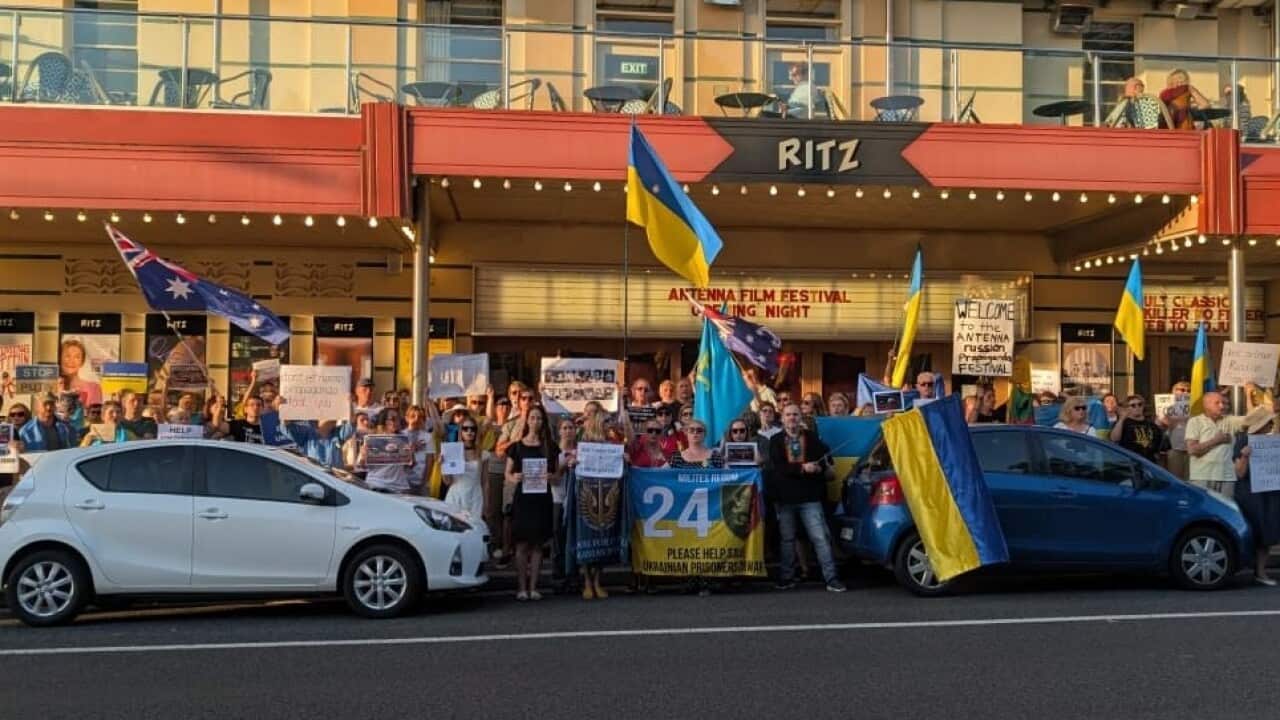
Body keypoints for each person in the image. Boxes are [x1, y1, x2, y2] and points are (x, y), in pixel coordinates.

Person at [768, 403, 846, 593]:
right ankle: (787, 577)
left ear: (800, 417)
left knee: (820, 538)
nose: (792, 418)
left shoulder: (812, 439)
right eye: (788, 415)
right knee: (787, 540)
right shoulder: (776, 440)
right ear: (782, 418)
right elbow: (778, 468)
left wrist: (818, 469)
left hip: (810, 498)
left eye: (795, 414)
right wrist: (802, 468)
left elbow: (824, 469)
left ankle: (831, 578)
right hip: (786, 499)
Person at [505, 405, 561, 601]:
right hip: (523, 499)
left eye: (539, 418)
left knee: (537, 545)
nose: (535, 421)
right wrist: (516, 477)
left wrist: (550, 476)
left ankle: (534, 587)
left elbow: (557, 477)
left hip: (542, 498)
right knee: (521, 545)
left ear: (543, 422)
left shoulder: (551, 447)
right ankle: (521, 587)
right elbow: (508, 474)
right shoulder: (517, 446)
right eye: (532, 418)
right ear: (526, 420)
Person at [1232, 407, 1280, 586]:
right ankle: (1255, 570)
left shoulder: (1273, 441)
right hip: (1250, 494)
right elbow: (1240, 473)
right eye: (1268, 422)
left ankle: (1260, 572)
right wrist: (1244, 456)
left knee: (1268, 531)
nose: (1272, 425)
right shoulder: (1243, 441)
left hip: (1270, 492)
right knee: (1254, 530)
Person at [1186, 390, 1247, 496]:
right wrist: (1216, 440)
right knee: (1204, 511)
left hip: (1227, 477)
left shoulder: (1229, 420)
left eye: (1223, 403)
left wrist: (1249, 392)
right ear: (1206, 405)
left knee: (1226, 511)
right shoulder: (1195, 421)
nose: (1222, 406)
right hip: (1202, 477)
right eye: (1217, 403)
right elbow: (1192, 450)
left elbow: (1252, 419)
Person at [359, 408, 416, 493]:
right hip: (376, 485)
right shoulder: (372, 439)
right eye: (393, 419)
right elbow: (362, 466)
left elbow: (410, 466)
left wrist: (410, 455)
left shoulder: (404, 439)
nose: (396, 421)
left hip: (398, 487)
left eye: (397, 418)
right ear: (384, 422)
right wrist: (364, 456)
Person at [443, 417, 488, 521]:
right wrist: (443, 465)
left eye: (473, 429)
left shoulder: (483, 454)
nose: (469, 431)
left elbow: (485, 482)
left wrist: (486, 504)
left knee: (473, 530)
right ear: (460, 431)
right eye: (465, 428)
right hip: (455, 496)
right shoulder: (452, 450)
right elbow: (447, 481)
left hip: (475, 497)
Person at [1109, 394, 1164, 462]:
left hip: (1149, 462)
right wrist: (1122, 419)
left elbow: (1159, 444)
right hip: (1130, 462)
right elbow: (1114, 438)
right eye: (1133, 405)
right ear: (1127, 408)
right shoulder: (1123, 423)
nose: (1137, 407)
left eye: (1140, 404)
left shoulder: (1151, 424)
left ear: (1143, 406)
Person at [1159, 380, 1193, 480]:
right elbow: (1159, 427)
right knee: (1175, 479)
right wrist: (1171, 421)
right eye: (1182, 390)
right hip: (1174, 449)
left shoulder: (1195, 406)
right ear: (1174, 392)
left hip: (1191, 449)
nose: (1186, 392)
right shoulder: (1166, 407)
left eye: (1188, 390)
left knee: (1190, 480)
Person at [57, 338, 103, 408]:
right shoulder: (52, 386)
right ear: (59, 359)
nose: (71, 361)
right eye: (67, 356)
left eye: (77, 357)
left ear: (82, 362)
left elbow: (95, 416)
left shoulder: (94, 388)